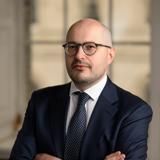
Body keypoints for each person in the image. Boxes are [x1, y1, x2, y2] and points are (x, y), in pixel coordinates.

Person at [9, 18, 152, 160]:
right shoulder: (40, 102)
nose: (78, 55)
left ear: (110, 55)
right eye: (72, 46)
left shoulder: (133, 111)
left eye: (90, 47)